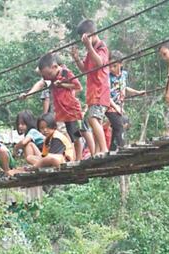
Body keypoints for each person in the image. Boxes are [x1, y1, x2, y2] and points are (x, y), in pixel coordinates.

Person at [21, 53, 94, 162]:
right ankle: (69, 157)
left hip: (71, 110)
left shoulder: (65, 73)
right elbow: (40, 84)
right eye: (45, 75)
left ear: (55, 67)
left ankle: (78, 158)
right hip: (59, 111)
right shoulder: (50, 76)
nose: (48, 77)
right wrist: (28, 94)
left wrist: (62, 85)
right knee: (61, 134)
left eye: (49, 74)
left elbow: (78, 86)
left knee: (76, 135)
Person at [70, 19, 110, 157]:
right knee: (95, 121)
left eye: (84, 37)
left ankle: (104, 149)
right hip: (93, 94)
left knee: (93, 120)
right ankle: (99, 151)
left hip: (100, 92)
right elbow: (85, 70)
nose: (83, 41)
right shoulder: (90, 52)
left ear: (91, 34)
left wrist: (89, 47)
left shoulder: (101, 47)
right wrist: (76, 59)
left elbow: (100, 63)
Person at [107, 51, 145, 152]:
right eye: (110, 66)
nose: (112, 69)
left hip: (119, 106)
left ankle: (112, 149)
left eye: (114, 66)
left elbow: (124, 87)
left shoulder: (124, 74)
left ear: (121, 64)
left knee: (118, 128)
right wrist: (116, 107)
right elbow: (106, 94)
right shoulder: (108, 77)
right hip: (110, 106)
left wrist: (137, 92)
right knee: (120, 126)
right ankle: (122, 148)